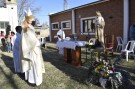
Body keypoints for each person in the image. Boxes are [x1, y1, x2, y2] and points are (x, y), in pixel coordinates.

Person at [21, 8, 45, 86]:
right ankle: (33, 80)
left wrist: (36, 37)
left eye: (32, 18)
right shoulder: (25, 28)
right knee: (33, 65)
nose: (32, 20)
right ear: (27, 19)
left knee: (35, 64)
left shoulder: (30, 27)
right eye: (30, 19)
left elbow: (32, 37)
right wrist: (37, 39)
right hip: (32, 50)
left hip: (34, 49)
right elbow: (28, 40)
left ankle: (34, 79)